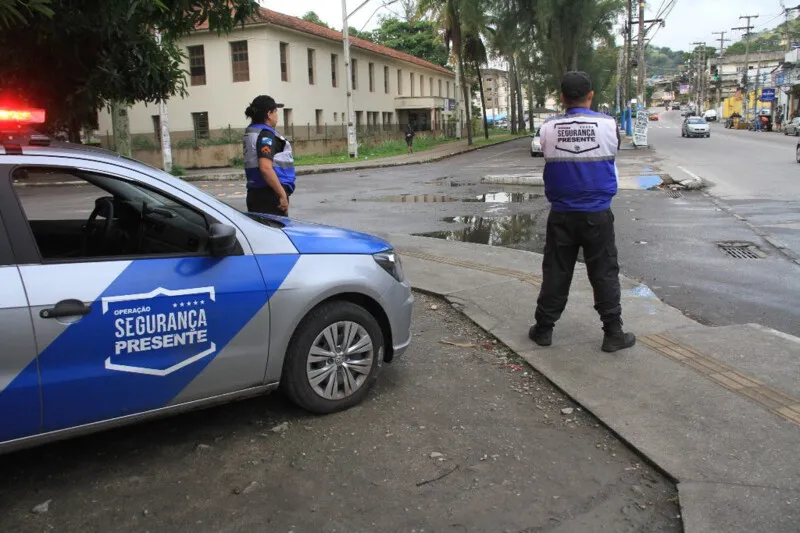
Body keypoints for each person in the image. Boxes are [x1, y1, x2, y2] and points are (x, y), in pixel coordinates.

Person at [529, 71, 636, 353]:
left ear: (562, 98)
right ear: (591, 96)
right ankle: (613, 332)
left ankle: (543, 330)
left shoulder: (548, 128)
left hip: (561, 214)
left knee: (556, 271)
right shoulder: (609, 125)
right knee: (604, 272)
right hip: (597, 214)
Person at [242, 95, 296, 216]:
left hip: (255, 192)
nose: (277, 115)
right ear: (269, 114)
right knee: (275, 232)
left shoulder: (251, 132)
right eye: (276, 111)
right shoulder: (266, 134)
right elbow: (265, 168)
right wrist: (282, 194)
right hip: (270, 194)